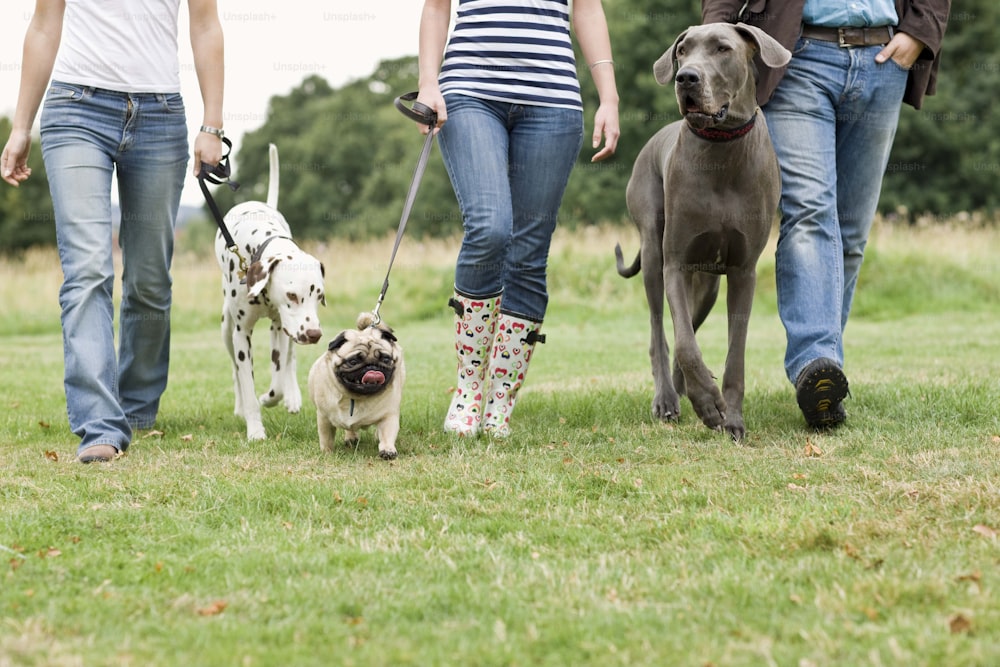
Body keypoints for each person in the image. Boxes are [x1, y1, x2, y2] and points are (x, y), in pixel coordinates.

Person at [701, 0, 950, 429]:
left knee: (850, 232)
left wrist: (920, 31)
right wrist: (711, 45)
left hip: (883, 58)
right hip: (794, 57)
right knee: (810, 211)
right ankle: (815, 363)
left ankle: (824, 382)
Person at [1, 0, 226, 462]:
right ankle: (100, 424)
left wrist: (212, 125)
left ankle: (138, 409)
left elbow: (205, 26)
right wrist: (21, 126)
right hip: (75, 110)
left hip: (160, 116)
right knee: (87, 270)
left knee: (149, 279)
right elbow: (44, 25)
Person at [416, 0, 620, 438]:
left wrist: (609, 95)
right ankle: (469, 387)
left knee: (529, 252)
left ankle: (500, 398)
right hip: (469, 93)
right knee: (490, 226)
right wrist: (427, 82)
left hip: (553, 102)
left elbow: (587, 10)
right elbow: (436, 8)